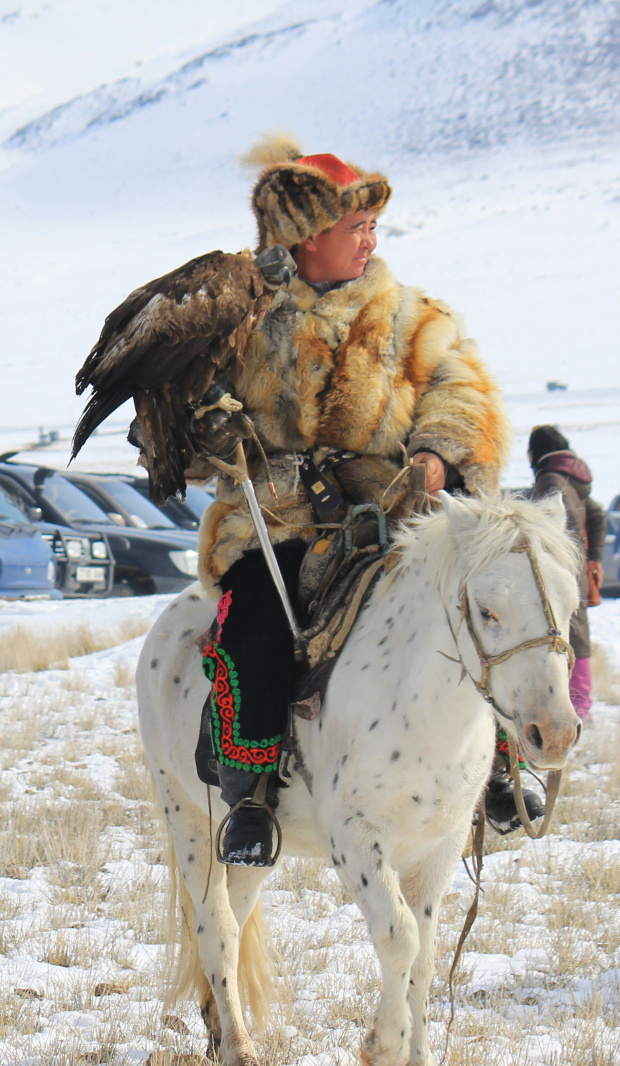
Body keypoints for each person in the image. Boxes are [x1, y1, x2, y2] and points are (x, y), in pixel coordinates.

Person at [182, 138, 509, 866]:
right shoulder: (239, 325)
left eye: (371, 226)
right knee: (258, 624)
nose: (370, 238)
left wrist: (435, 451)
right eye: (354, 226)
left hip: (395, 515)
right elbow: (184, 427)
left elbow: (462, 388)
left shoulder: (415, 315)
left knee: (484, 604)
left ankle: (504, 768)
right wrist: (212, 425)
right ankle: (253, 794)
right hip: (277, 522)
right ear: (305, 240)